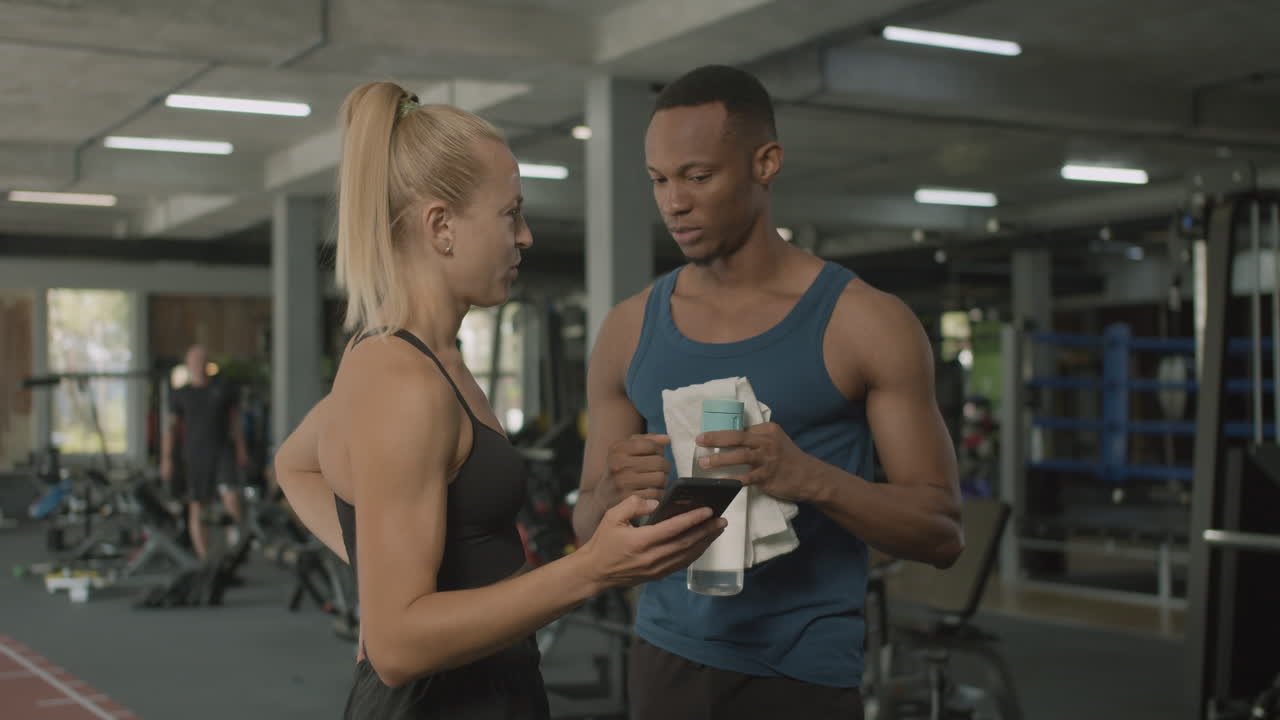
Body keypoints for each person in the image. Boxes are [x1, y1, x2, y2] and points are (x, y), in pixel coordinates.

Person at [270, 81, 726, 720]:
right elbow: (396, 649)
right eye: (511, 214)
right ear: (442, 227)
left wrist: (380, 572)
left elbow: (295, 464)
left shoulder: (430, 361)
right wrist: (592, 570)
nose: (527, 236)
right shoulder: (400, 379)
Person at [571, 65, 965, 719]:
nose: (674, 203)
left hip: (801, 671)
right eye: (660, 180)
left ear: (765, 163)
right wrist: (612, 492)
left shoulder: (864, 323)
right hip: (665, 662)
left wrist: (811, 479)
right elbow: (587, 527)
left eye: (698, 176)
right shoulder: (627, 330)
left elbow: (942, 532)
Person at [160, 343, 249, 559]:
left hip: (222, 452)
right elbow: (171, 428)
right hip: (195, 455)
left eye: (202, 360)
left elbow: (235, 423)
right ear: (188, 364)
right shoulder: (181, 394)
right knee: (198, 504)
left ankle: (234, 551)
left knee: (231, 498)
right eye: (194, 361)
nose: (198, 365)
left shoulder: (223, 390)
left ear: (207, 363)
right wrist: (166, 458)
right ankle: (204, 558)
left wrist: (241, 450)